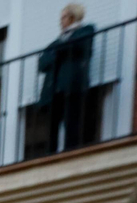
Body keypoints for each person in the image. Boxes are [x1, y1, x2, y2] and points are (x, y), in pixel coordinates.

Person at [38, 4, 96, 152]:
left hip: (72, 87)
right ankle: (50, 156)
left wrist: (57, 53)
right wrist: (61, 52)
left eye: (63, 17)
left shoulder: (85, 31)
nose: (60, 21)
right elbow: (42, 62)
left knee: (72, 124)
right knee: (52, 128)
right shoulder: (57, 41)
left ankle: (70, 153)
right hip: (53, 91)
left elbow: (78, 46)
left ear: (73, 17)